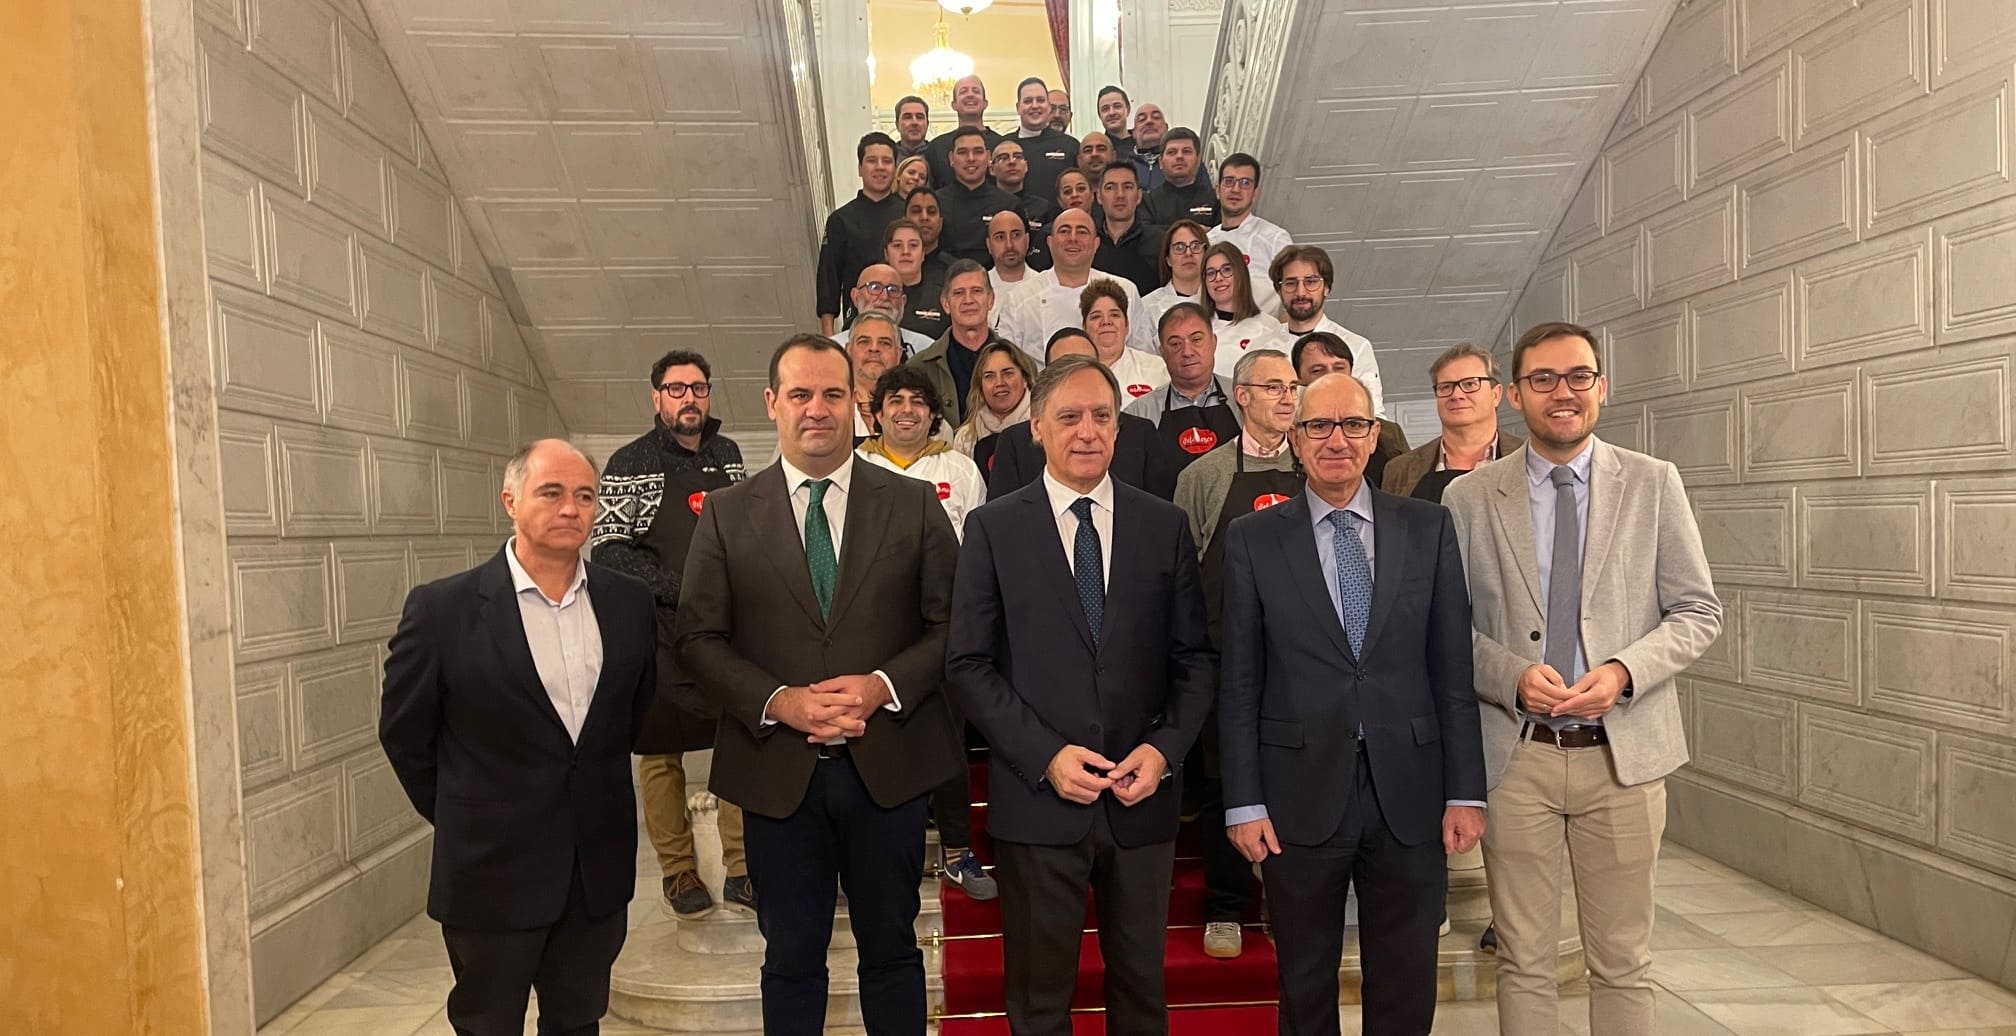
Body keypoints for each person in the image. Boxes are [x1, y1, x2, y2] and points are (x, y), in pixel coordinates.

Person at [676, 334, 964, 1036]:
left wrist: (881, 686)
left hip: (888, 768)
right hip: (777, 779)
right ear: (772, 404)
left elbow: (954, 624)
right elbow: (696, 639)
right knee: (791, 959)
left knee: (893, 954)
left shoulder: (916, 503)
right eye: (800, 394)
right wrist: (783, 702)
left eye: (833, 394)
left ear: (856, 406)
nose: (817, 409)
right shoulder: (725, 513)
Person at [1442, 322, 1721, 1036]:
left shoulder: (1654, 483)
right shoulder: (1470, 499)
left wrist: (1626, 670)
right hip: (1517, 756)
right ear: (1513, 394)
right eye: (1542, 379)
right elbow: (1445, 630)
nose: (1561, 393)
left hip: (1622, 758)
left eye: (1577, 377)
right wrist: (1509, 676)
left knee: (1623, 961)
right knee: (1525, 961)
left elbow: (1697, 612)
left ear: (1602, 386)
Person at [947, 353, 1216, 1036]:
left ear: (1119, 429)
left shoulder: (1164, 525)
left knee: (1142, 998)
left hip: (1141, 802)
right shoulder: (993, 528)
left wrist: (1163, 751)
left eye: (1102, 415)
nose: (1088, 430)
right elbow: (969, 665)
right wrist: (1045, 756)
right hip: (1039, 806)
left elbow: (1196, 660)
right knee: (1039, 1005)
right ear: (1036, 427)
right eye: (1069, 416)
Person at [1220, 373, 1488, 1036]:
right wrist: (1244, 801)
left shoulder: (1429, 527)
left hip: (1412, 791)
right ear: (1294, 438)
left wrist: (1466, 791)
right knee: (1304, 980)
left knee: (1404, 978)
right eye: (1318, 426)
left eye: (1353, 425)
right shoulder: (1254, 540)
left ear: (1374, 436)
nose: (1336, 440)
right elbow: (1241, 680)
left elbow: (1452, 669)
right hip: (1296, 795)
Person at [380, 439, 657, 1036]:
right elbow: (406, 736)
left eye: (585, 496)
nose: (571, 509)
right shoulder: (441, 610)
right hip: (491, 869)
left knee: (578, 1022)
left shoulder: (629, 603)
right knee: (487, 1024)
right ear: (510, 500)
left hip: (594, 872)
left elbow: (627, 720)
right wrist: (469, 812)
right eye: (551, 493)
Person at [591, 352, 753, 922]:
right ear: (656, 397)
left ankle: (741, 867)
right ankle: (678, 869)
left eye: (699, 388)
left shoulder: (727, 456)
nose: (689, 399)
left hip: (725, 631)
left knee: (739, 741)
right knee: (661, 754)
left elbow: (743, 531)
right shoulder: (628, 462)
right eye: (676, 388)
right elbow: (608, 550)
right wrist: (682, 589)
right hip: (658, 633)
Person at [1166, 348, 1302, 961]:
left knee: (1299, 784)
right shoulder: (1203, 477)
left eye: (1293, 386)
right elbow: (1187, 575)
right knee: (1228, 784)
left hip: (1304, 663)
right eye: (1273, 386)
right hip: (1228, 660)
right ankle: (1226, 906)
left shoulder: (1316, 466)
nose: (1287, 397)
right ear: (1241, 395)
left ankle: (1287, 901)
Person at [986, 329, 1166, 500]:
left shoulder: (1141, 433)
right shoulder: (1014, 442)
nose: (1087, 433)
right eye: (1065, 369)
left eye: (1087, 365)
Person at [995, 208, 1154, 363]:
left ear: (1096, 244)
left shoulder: (1125, 291)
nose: (1073, 238)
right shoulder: (1019, 298)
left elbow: (1141, 357)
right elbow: (1007, 362)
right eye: (1064, 231)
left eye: (1082, 232)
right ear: (1050, 243)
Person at [857, 367, 987, 542]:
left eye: (917, 401)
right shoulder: (854, 467)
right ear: (879, 414)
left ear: (932, 414)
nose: (907, 409)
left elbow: (976, 545)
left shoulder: (964, 471)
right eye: (896, 401)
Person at [1382, 343, 1524, 502]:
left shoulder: (1529, 459)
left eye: (1470, 384)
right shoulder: (1399, 470)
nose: (1456, 395)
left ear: (1496, 395)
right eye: (1446, 387)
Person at [1126, 303, 1244, 493]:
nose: (1187, 351)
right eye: (1175, 344)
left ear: (1214, 342)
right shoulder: (1139, 412)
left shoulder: (1244, 399)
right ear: (1162, 352)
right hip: (1167, 519)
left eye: (1196, 339)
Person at [1272, 245, 1388, 418]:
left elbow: (1372, 413)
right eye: (1291, 283)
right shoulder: (1262, 346)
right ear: (1278, 290)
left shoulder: (1356, 346)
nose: (1300, 292)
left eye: (1311, 281)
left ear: (1326, 287)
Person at [1291, 332, 1410, 489]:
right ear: (1298, 378)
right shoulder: (1286, 432)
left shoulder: (1388, 435)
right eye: (1318, 370)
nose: (1331, 376)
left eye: (1339, 368)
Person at [816, 132, 903, 337]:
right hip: (855, 324)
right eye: (872, 161)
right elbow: (828, 280)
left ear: (895, 168)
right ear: (860, 168)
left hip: (902, 322)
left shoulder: (907, 215)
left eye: (887, 161)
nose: (880, 167)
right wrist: (829, 338)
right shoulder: (840, 219)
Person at [909, 260, 1016, 423]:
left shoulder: (1018, 363)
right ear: (945, 303)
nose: (968, 300)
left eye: (976, 291)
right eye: (959, 293)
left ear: (991, 299)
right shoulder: (918, 369)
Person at [1208, 153, 1292, 318]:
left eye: (1245, 183)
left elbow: (1293, 289)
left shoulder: (1275, 238)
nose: (1236, 189)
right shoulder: (1207, 241)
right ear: (1218, 190)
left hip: (1264, 333)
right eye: (1229, 181)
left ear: (1255, 193)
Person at [1202, 241, 1290, 376]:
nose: (1218, 278)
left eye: (1226, 270)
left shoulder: (1269, 326)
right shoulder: (1198, 329)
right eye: (1211, 273)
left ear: (1241, 273)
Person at [937, 126, 1022, 264]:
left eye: (978, 152)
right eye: (963, 152)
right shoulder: (936, 203)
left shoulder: (1010, 204)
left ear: (988, 157)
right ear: (951, 159)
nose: (971, 158)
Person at [1081, 277, 1170, 402]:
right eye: (1096, 317)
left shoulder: (1157, 368)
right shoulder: (1072, 371)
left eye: (1114, 315)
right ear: (1084, 327)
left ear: (1127, 324)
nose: (1106, 322)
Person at [954, 340, 1036, 468]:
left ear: (1025, 379)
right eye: (989, 376)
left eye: (1008, 373)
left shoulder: (1043, 427)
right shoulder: (966, 438)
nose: (999, 383)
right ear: (980, 385)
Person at [1093, 163, 1164, 295]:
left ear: (1139, 196)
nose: (1120, 195)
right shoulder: (1087, 243)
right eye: (1110, 188)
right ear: (1099, 197)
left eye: (1127, 187)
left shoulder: (1160, 243)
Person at [991, 140, 1058, 271]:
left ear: (1026, 166)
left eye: (1018, 157)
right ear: (991, 169)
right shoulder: (986, 206)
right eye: (1003, 158)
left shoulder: (1044, 207)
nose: (1011, 162)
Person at [927, 74, 1003, 189]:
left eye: (976, 91)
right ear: (954, 104)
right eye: (963, 92)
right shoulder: (936, 147)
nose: (970, 95)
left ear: (985, 103)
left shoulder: (1002, 145)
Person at [1012, 77, 1079, 205]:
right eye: (1028, 101)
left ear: (1048, 106)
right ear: (1018, 107)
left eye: (1040, 100)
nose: (1035, 105)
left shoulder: (1070, 145)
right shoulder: (1005, 146)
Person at [884, 218, 949, 345]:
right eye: (897, 245)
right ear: (886, 253)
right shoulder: (875, 297)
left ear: (923, 253)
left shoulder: (943, 298)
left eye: (913, 245)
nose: (906, 252)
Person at [846, 311, 905, 441]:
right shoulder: (830, 408)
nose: (874, 348)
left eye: (884, 343)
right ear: (848, 351)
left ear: (899, 354)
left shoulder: (920, 411)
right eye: (864, 342)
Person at [1142, 128, 1218, 227]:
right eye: (1172, 152)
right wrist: (1197, 233)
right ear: (1161, 162)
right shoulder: (1148, 202)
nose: (1179, 156)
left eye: (1186, 151)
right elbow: (1146, 235)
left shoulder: (1215, 199)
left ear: (1199, 160)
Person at [1141, 219, 1209, 328]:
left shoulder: (1218, 301)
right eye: (1179, 248)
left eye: (1195, 246)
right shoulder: (1147, 307)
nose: (1188, 253)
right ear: (1168, 259)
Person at [985, 208, 1036, 320]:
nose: (1009, 245)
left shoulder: (1044, 287)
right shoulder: (978, 289)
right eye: (1000, 237)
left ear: (1027, 240)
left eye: (1015, 235)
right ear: (989, 245)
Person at [904, 187, 954, 284]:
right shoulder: (888, 270)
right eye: (916, 211)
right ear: (904, 220)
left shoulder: (955, 271)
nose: (924, 217)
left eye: (931, 212)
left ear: (940, 223)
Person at [1130, 103, 1169, 190]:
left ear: (1166, 128)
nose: (1149, 121)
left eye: (1156, 117)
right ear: (1134, 133)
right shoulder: (1124, 167)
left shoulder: (1181, 161)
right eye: (1141, 119)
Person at [1097, 85, 1135, 165]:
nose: (1112, 113)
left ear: (1127, 110)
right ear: (1099, 115)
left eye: (1117, 106)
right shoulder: (1096, 149)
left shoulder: (1141, 144)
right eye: (1105, 109)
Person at [894, 95, 931, 161]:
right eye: (907, 117)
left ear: (927, 124)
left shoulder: (938, 155)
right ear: (897, 124)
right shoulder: (889, 156)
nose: (914, 122)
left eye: (919, 117)